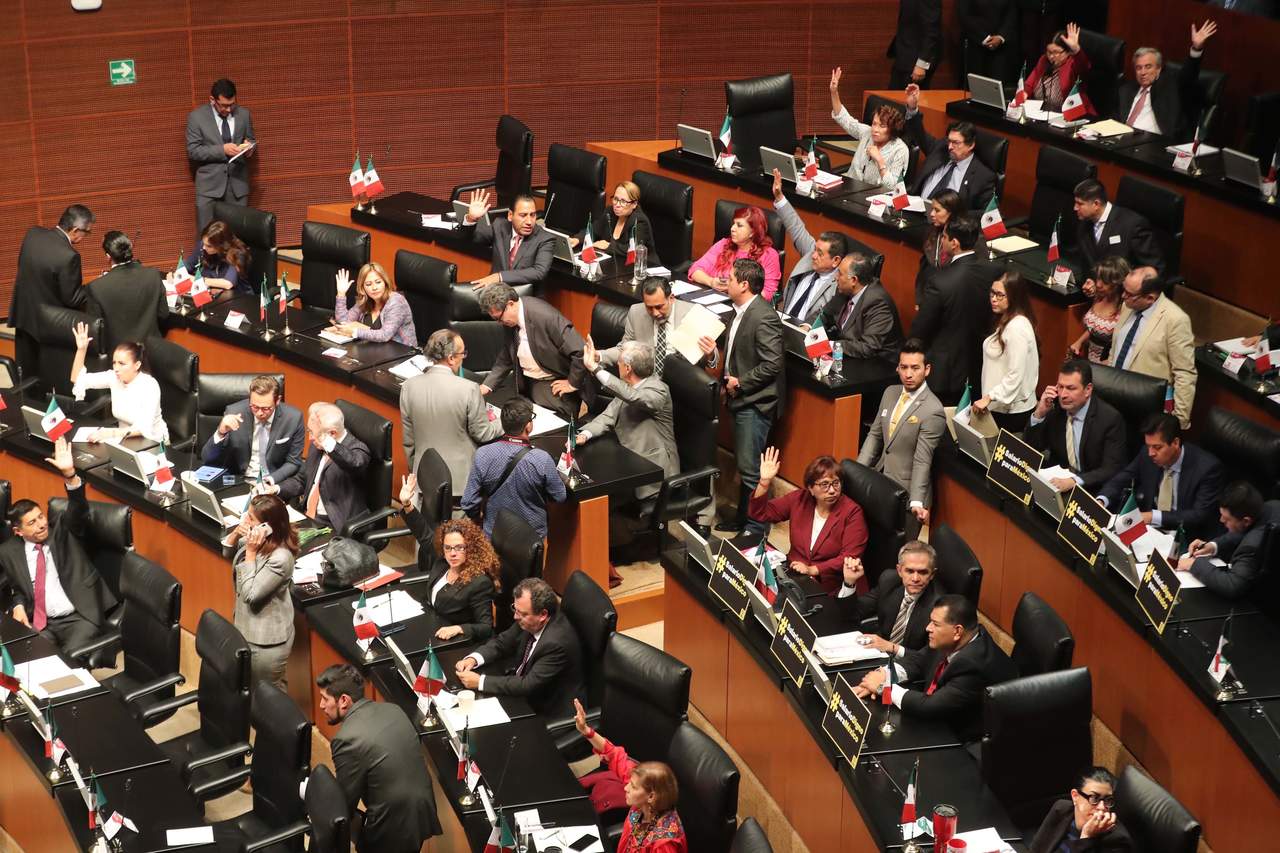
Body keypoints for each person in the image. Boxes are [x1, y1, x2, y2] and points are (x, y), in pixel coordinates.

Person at [0, 438, 117, 665]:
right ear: (18, 531)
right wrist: (18, 606)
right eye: (32, 523)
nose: (41, 524)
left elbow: (78, 509)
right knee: (28, 661)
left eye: (40, 517)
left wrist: (70, 475)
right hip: (43, 623)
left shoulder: (63, 532)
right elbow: (18, 589)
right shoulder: (8, 552)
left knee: (65, 662)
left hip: (80, 617)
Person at [854, 594, 1018, 743]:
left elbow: (931, 707)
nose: (928, 628)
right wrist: (884, 675)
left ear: (957, 631)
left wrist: (884, 688)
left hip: (964, 741)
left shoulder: (974, 665)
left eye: (935, 624)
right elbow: (919, 660)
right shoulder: (957, 638)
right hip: (939, 719)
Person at [317, 664, 442, 853]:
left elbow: (344, 804)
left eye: (325, 699)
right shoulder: (393, 709)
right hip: (420, 811)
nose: (321, 705)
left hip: (391, 827)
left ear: (343, 700)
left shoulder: (347, 738)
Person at [713, 259, 785, 535]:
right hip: (739, 398)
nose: (726, 281)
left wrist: (741, 382)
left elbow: (772, 364)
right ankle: (743, 517)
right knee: (745, 466)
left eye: (730, 278)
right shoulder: (739, 310)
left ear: (744, 284)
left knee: (751, 469)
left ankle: (756, 529)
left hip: (755, 403)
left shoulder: (764, 316)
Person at [455, 577, 586, 718]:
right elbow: (502, 642)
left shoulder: (556, 643)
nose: (515, 617)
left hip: (546, 710)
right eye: (515, 609)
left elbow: (528, 684)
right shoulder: (528, 618)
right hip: (522, 693)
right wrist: (473, 659)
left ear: (543, 615)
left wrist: (480, 681)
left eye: (522, 613)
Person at [572, 698, 687, 852]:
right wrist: (586, 730)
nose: (625, 787)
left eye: (632, 786)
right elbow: (613, 754)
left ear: (651, 796)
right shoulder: (644, 795)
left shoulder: (664, 844)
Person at [748, 449, 869, 595]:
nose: (832, 490)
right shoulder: (800, 499)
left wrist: (813, 570)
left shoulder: (852, 513)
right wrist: (764, 482)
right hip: (793, 576)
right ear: (810, 488)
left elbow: (849, 558)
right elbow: (760, 513)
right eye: (824, 484)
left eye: (836, 483)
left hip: (830, 586)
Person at [858, 340, 947, 529]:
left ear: (927, 369)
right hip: (879, 483)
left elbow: (923, 459)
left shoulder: (933, 410)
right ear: (897, 368)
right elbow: (875, 436)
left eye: (915, 368)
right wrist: (857, 471)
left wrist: (916, 501)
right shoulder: (890, 393)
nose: (908, 374)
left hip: (906, 495)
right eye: (904, 367)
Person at [909, 214, 996, 405]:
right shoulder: (993, 272)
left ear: (954, 243)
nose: (942, 241)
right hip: (979, 366)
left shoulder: (940, 281)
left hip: (944, 373)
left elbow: (921, 328)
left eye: (945, 237)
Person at [400, 329, 501, 489]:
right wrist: (504, 421)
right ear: (451, 358)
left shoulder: (408, 387)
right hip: (461, 482)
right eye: (463, 354)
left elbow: (409, 441)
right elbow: (482, 433)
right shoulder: (469, 389)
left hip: (425, 477)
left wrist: (416, 471)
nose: (464, 358)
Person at [580, 340, 678, 501]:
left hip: (654, 473)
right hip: (627, 461)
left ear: (627, 368)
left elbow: (634, 397)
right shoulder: (628, 388)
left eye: (618, 362)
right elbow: (608, 416)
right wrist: (585, 434)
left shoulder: (658, 390)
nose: (616, 365)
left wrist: (596, 369)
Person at [1100, 413, 1224, 539]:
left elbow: (1199, 515)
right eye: (1148, 446)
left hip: (1184, 537)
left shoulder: (1207, 468)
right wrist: (1102, 500)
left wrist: (1152, 516)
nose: (1151, 453)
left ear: (1175, 443)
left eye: (1157, 447)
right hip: (1149, 532)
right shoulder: (1147, 454)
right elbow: (1122, 479)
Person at [479, 283, 589, 421]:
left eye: (499, 318)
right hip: (527, 385)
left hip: (554, 388)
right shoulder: (510, 321)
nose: (499, 323)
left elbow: (581, 350)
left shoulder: (545, 317)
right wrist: (487, 385)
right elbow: (507, 354)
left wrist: (572, 383)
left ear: (510, 304)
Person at [461, 397, 566, 540]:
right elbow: (560, 496)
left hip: (494, 534)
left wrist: (479, 519)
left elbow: (468, 502)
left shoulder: (482, 454)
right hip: (531, 538)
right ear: (528, 426)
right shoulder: (542, 459)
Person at [1106, 266, 1197, 428]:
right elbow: (1116, 347)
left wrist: (1178, 422)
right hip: (1115, 394)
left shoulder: (1175, 320)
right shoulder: (1128, 305)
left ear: (1150, 298)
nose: (1123, 296)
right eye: (1123, 289)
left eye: (1129, 294)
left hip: (1146, 406)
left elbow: (1184, 373)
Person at [10, 204, 93, 378]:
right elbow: (72, 298)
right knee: (49, 374)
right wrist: (95, 287)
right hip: (47, 322)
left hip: (24, 314)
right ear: (75, 230)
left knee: (26, 370)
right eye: (87, 232)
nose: (86, 236)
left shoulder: (33, 234)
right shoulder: (69, 255)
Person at [224, 494, 296, 692]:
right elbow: (227, 552)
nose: (246, 521)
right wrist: (235, 534)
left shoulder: (280, 558)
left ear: (268, 526)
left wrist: (250, 552)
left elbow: (250, 594)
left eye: (251, 519)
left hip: (265, 642)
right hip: (247, 628)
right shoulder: (258, 541)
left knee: (269, 696)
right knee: (252, 691)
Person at [1025, 360, 1128, 493]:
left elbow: (1110, 469)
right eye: (1060, 387)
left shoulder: (1110, 419)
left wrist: (1074, 481)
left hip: (1089, 488)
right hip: (1056, 482)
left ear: (1088, 389)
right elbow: (1031, 448)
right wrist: (1039, 413)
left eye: (1070, 388)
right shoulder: (1056, 407)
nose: (1063, 395)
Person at [273, 402, 370, 534]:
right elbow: (302, 480)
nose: (310, 438)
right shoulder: (317, 445)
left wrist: (326, 441)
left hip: (333, 523)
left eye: (313, 433)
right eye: (309, 431)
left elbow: (353, 463)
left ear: (332, 433)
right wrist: (277, 488)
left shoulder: (358, 450)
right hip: (307, 516)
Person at [1114, 21, 1218, 141]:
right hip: (1122, 141)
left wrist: (1196, 49)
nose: (1143, 72)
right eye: (1138, 68)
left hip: (1153, 144)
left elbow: (1188, 76)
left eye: (1148, 67)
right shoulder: (1125, 90)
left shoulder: (1171, 87)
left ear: (1158, 69)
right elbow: (1114, 121)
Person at [837, 541, 944, 655]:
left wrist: (892, 648)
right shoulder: (889, 581)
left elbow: (929, 657)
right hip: (878, 652)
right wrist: (849, 582)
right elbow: (853, 613)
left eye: (923, 572)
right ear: (899, 570)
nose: (915, 578)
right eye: (909, 571)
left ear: (932, 574)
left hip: (909, 660)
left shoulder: (939, 605)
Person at [406, 513, 499, 642]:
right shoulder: (442, 562)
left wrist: (459, 629)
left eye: (459, 547)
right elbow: (425, 536)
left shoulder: (480, 582)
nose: (452, 553)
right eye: (448, 548)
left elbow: (485, 627)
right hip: (430, 624)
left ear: (471, 548)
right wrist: (407, 507)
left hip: (453, 641)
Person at [597, 278, 720, 376]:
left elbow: (708, 362)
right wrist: (599, 356)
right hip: (647, 381)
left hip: (681, 380)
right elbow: (625, 349)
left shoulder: (692, 313)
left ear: (671, 298)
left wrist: (710, 354)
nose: (655, 313)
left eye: (659, 307)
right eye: (649, 307)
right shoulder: (636, 312)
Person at [1179, 482, 1280, 599]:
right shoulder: (1272, 505)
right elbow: (1243, 531)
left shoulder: (1252, 546)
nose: (1221, 520)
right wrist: (1213, 546)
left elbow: (1233, 585)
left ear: (1246, 521)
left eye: (1227, 519)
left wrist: (1194, 565)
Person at [70, 325, 168, 443]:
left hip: (152, 442)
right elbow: (77, 379)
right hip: (124, 439)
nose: (116, 368)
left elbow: (143, 429)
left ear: (137, 365)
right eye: (114, 363)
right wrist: (81, 350)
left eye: (122, 364)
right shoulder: (113, 377)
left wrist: (109, 433)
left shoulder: (149, 386)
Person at [904, 85, 997, 210]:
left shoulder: (982, 176)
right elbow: (919, 133)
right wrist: (912, 108)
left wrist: (955, 215)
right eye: (949, 141)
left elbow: (985, 213)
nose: (949, 147)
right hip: (917, 210)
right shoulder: (940, 149)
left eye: (956, 143)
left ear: (971, 145)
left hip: (950, 221)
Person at [771, 169, 845, 325]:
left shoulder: (839, 285)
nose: (813, 255)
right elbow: (796, 227)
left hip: (806, 333)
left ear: (836, 261)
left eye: (820, 253)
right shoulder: (811, 254)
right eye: (815, 249)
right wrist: (779, 197)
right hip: (782, 323)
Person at [201, 374, 306, 484]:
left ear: (278, 400)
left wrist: (270, 481)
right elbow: (207, 458)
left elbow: (294, 462)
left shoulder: (293, 418)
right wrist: (220, 432)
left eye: (266, 408)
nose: (259, 413)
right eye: (255, 407)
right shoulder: (234, 412)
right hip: (239, 481)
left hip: (274, 481)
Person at [971, 271, 1039, 433]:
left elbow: (1015, 374)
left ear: (1014, 297)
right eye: (992, 293)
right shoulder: (1007, 320)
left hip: (1010, 412)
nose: (994, 299)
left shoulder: (1017, 329)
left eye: (1000, 295)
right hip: (999, 406)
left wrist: (989, 397)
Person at [186, 78, 255, 235]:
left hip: (237, 186)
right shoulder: (196, 118)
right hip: (209, 188)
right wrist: (222, 150)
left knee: (237, 236)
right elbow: (193, 150)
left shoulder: (244, 114)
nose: (229, 109)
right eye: (224, 105)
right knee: (207, 237)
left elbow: (250, 139)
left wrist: (249, 148)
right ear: (212, 100)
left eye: (232, 104)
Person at [86, 231, 169, 353]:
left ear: (108, 256)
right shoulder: (153, 275)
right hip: (151, 352)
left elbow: (96, 331)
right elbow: (163, 314)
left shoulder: (96, 287)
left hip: (119, 356)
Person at [816, 252, 905, 365]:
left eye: (840, 274)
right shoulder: (845, 289)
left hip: (877, 363)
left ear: (853, 280)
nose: (835, 277)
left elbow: (868, 347)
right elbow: (824, 314)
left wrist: (830, 345)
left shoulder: (877, 302)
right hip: (849, 352)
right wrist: (807, 327)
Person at [828, 68, 911, 187]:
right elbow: (844, 119)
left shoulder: (900, 150)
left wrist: (880, 161)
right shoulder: (867, 133)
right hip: (850, 187)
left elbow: (892, 187)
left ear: (892, 129)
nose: (875, 129)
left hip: (876, 195)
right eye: (874, 124)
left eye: (882, 126)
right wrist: (834, 92)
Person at [462, 190, 555, 289]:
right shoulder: (499, 226)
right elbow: (472, 239)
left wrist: (500, 277)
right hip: (495, 292)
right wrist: (471, 219)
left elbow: (539, 272)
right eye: (523, 215)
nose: (529, 221)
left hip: (524, 295)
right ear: (510, 215)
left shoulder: (545, 238)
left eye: (532, 215)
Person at [687, 205, 782, 302]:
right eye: (733, 224)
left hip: (744, 307)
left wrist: (734, 290)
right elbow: (695, 270)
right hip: (714, 300)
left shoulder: (769, 255)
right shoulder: (723, 244)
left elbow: (767, 294)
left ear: (753, 232)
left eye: (739, 225)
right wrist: (711, 282)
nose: (732, 228)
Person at [1028, 767, 1135, 853]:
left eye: (1108, 800)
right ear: (1075, 796)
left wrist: (1086, 837)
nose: (1102, 807)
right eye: (1094, 798)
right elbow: (1036, 849)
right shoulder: (1062, 808)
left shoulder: (1117, 841)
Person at [1072, 180, 1163, 276]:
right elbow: (1087, 263)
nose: (1075, 208)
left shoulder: (1133, 225)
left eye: (1080, 203)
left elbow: (1154, 269)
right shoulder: (1084, 222)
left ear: (1096, 204)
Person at [916, 190, 986, 309]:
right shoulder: (932, 233)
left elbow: (978, 276)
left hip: (958, 302)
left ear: (951, 212)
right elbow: (924, 270)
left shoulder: (974, 239)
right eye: (932, 209)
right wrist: (919, 299)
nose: (931, 214)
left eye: (937, 210)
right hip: (932, 297)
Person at [572, 181, 661, 266]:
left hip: (643, 267)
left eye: (623, 201)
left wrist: (608, 246)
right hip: (615, 264)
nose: (617, 205)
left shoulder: (640, 221)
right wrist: (578, 239)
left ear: (634, 204)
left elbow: (633, 250)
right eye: (615, 199)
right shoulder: (610, 212)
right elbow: (594, 230)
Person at [330, 262, 417, 346]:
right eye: (368, 284)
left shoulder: (396, 301)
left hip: (402, 352)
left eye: (378, 282)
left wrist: (354, 331)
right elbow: (343, 322)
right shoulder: (365, 300)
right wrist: (341, 294)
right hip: (375, 349)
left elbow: (385, 335)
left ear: (385, 282)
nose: (374, 288)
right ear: (362, 287)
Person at [1020, 23, 1094, 114]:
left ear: (1068, 52)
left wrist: (1076, 49)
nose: (1051, 56)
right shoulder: (1044, 60)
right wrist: (1023, 95)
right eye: (1049, 51)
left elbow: (1084, 67)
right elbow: (1029, 84)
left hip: (1071, 115)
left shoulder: (1073, 64)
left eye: (1056, 52)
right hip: (1042, 112)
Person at [1072, 256, 1127, 363]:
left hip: (1106, 365)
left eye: (1105, 281)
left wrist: (1102, 368)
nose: (1098, 284)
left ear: (1117, 284)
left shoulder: (1124, 308)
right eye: (1098, 278)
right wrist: (1079, 342)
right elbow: (1093, 329)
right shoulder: (1099, 296)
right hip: (1089, 359)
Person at [958, 0, 1018, 86]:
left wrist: (1001, 37)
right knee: (975, 88)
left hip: (1001, 49)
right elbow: (964, 16)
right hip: (974, 47)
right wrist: (986, 39)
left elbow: (1011, 13)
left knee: (998, 88)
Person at [182, 220, 249, 294]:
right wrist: (179, 273)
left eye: (209, 246)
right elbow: (188, 264)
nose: (204, 247)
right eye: (204, 243)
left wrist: (198, 280)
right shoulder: (204, 246)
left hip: (237, 296)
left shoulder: (237, 253)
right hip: (211, 293)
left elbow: (228, 283)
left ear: (222, 245)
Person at [888, 0, 942, 89]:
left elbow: (931, 32)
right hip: (903, 57)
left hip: (915, 63)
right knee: (893, 95)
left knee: (908, 96)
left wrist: (921, 64)